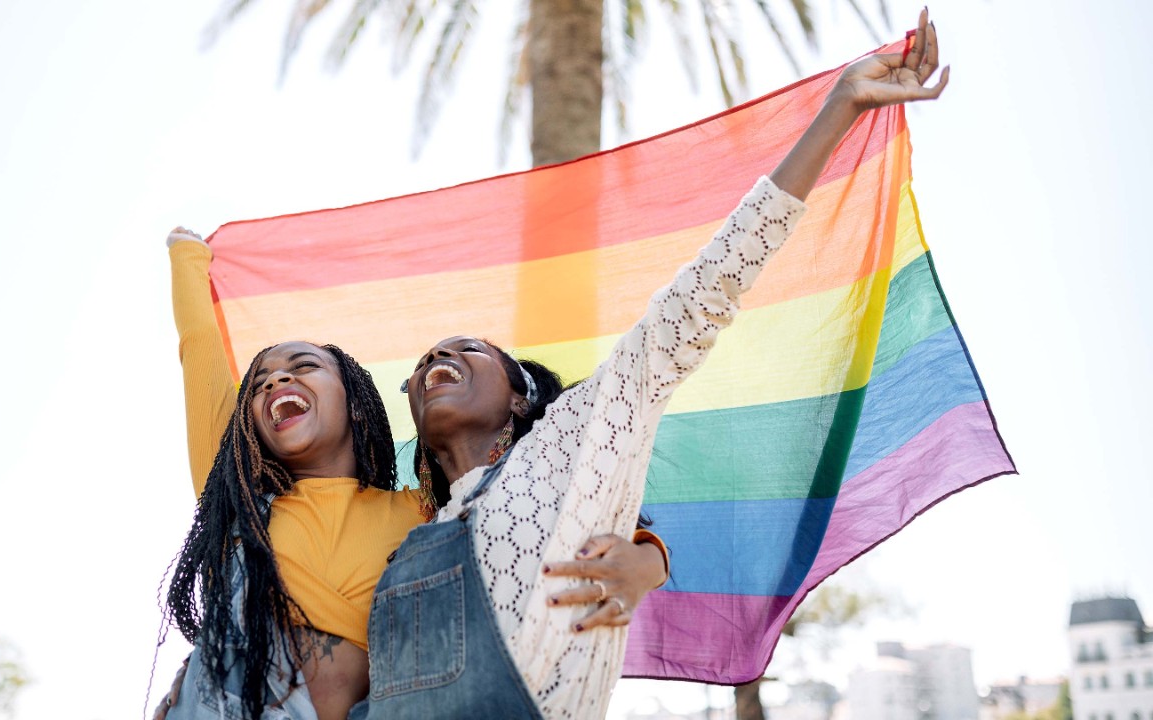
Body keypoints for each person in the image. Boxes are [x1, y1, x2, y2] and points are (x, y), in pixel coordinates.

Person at [351, 10, 948, 719]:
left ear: (518, 398)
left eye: (466, 348)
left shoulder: (577, 437)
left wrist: (839, 107)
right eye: (422, 363)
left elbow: (704, 292)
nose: (438, 357)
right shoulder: (399, 540)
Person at [154, 233, 670, 720]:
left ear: (356, 404)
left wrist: (647, 558)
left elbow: (532, 509)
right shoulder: (239, 505)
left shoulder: (420, 516)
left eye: (303, 366)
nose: (277, 380)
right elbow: (199, 351)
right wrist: (188, 255)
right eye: (260, 383)